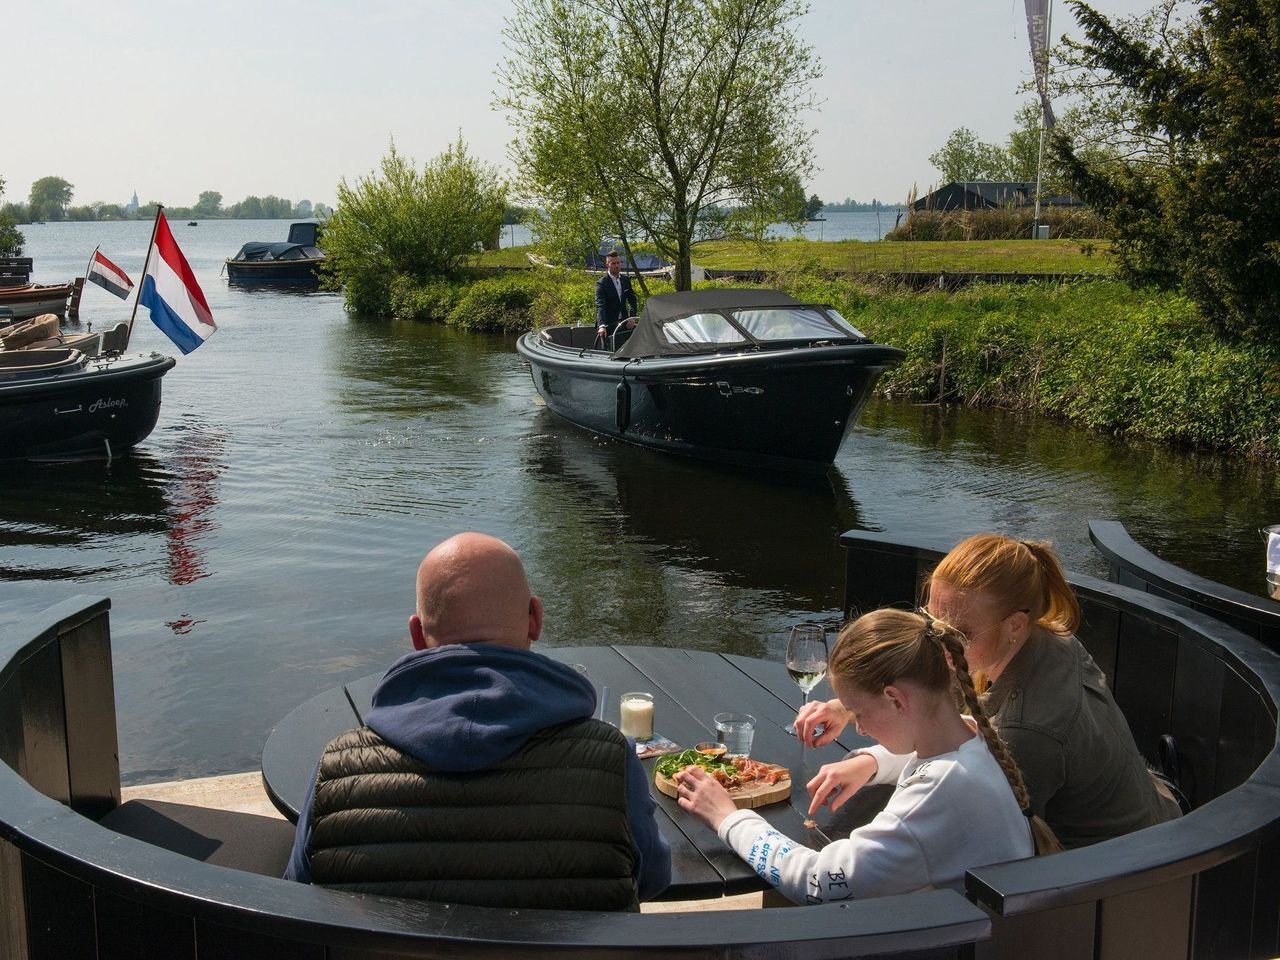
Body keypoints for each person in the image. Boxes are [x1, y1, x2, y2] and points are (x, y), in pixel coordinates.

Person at [284, 532, 670, 909]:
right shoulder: (610, 759)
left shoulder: (338, 767)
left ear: (417, 634)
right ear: (535, 618)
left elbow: (299, 894)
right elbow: (652, 878)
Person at [797, 534, 1182, 849]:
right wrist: (851, 710)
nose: (934, 642)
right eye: (930, 620)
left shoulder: (1027, 731)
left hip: (1118, 874)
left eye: (957, 633)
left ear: (1015, 624)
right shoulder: (1041, 638)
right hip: (1156, 815)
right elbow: (946, 693)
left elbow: (971, 841)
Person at [675, 609, 1050, 904]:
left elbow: (818, 882)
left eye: (859, 713)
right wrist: (870, 763)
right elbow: (921, 759)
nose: (861, 729)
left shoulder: (937, 794)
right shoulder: (973, 734)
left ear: (896, 699)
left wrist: (727, 817)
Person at [595, 249, 638, 343]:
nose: (617, 266)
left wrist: (632, 317)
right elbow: (600, 305)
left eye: (618, 263)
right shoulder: (601, 283)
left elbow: (632, 300)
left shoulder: (625, 280)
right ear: (607, 265)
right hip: (608, 325)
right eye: (613, 263)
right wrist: (601, 326)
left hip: (624, 323)